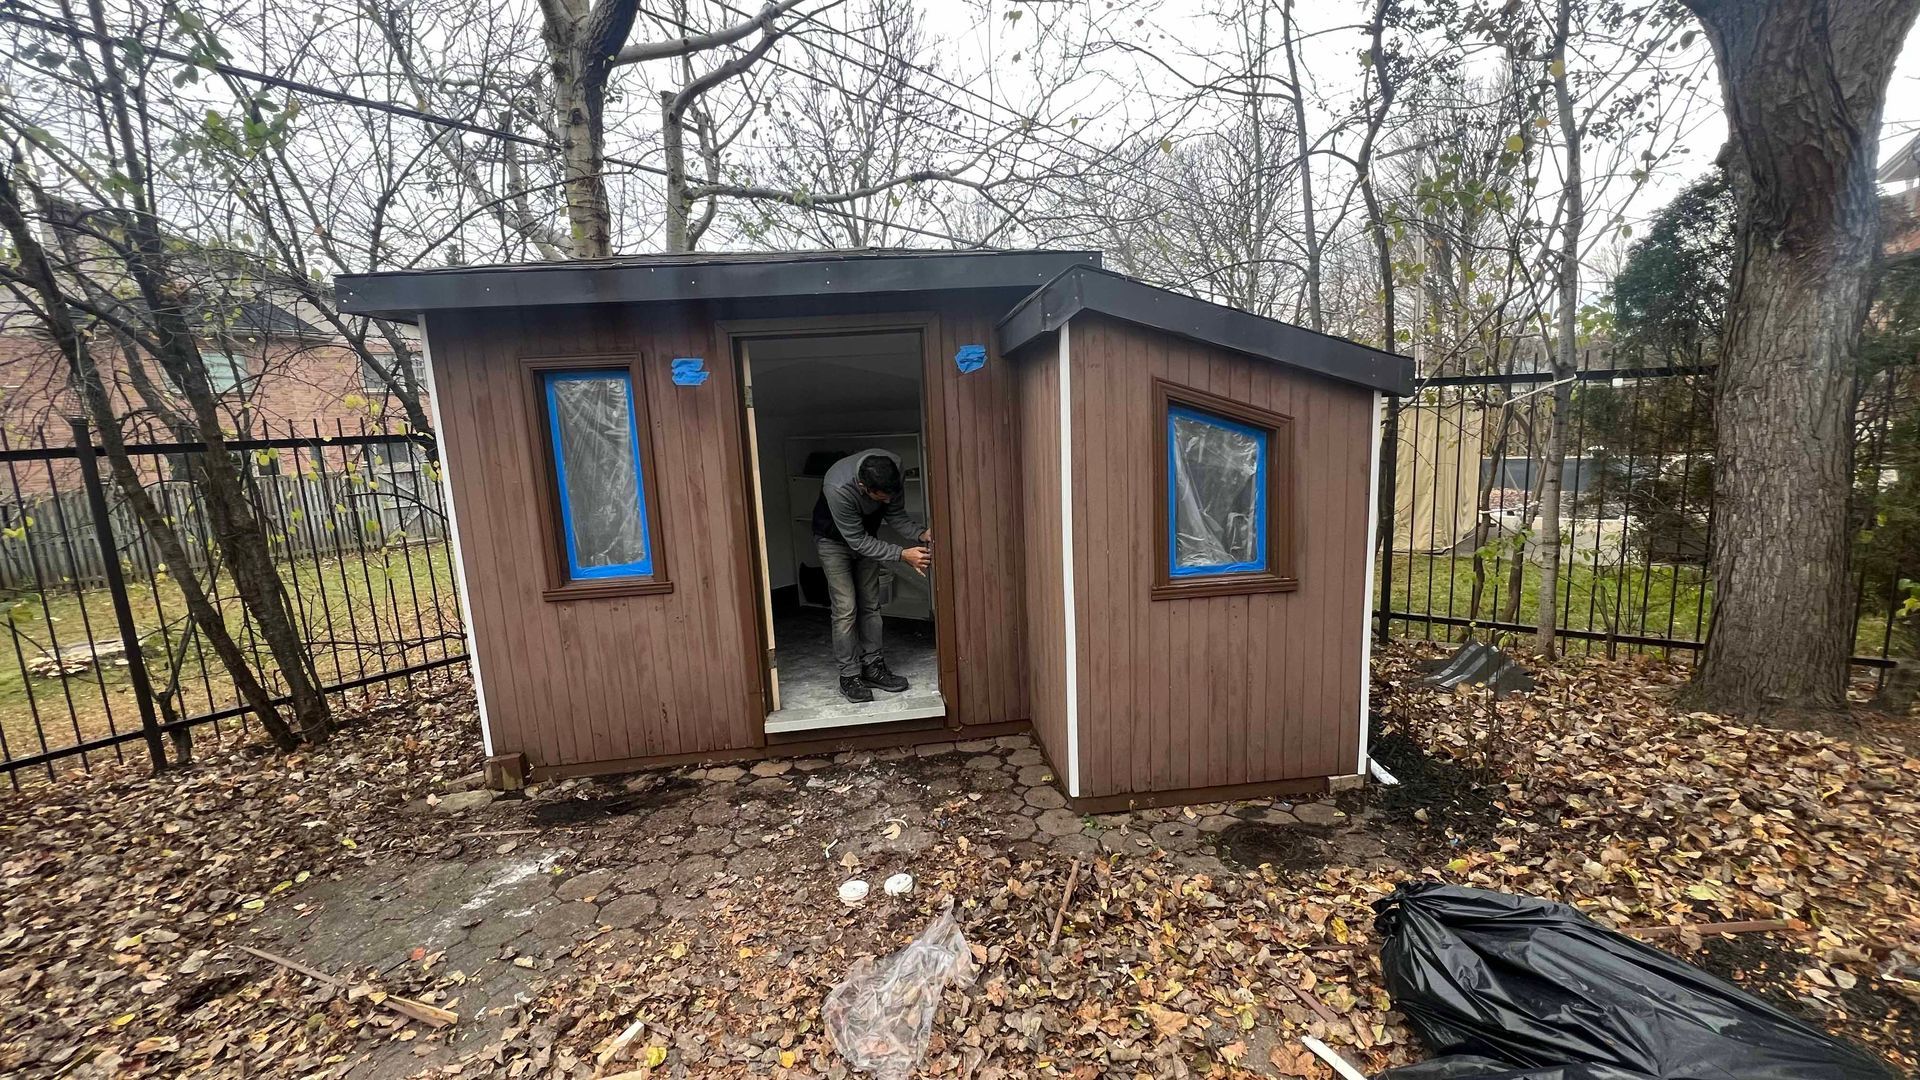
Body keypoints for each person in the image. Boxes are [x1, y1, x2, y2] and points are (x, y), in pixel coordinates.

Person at [812, 449, 931, 703]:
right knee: (846, 608)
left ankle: (873, 667)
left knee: (871, 605)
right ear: (863, 487)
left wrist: (921, 533)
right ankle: (849, 675)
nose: (887, 502)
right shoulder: (838, 487)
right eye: (881, 497)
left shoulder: (894, 468)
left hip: (866, 537)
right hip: (833, 542)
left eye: (890, 495)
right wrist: (902, 554)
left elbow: (895, 514)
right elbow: (857, 541)